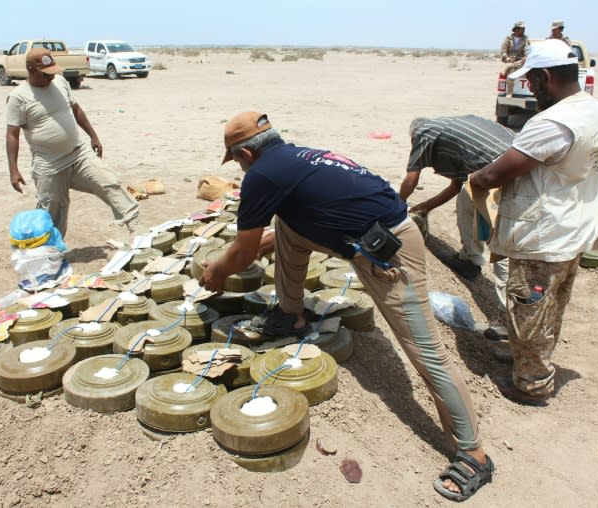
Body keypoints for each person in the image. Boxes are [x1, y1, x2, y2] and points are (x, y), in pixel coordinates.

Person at [200, 111, 494, 501]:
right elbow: (272, 236)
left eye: (236, 159)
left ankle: (474, 452)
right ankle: (291, 312)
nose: (238, 166)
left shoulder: (262, 174)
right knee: (288, 223)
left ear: (248, 153)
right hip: (370, 235)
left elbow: (243, 252)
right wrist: (248, 252)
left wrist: (216, 273)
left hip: (389, 253)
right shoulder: (299, 157)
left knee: (427, 354)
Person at [470, 40, 598, 405]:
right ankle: (529, 358)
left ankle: (531, 385)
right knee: (549, 308)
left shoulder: (552, 123)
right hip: (572, 231)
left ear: (546, 77)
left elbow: (494, 176)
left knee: (528, 313)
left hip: (543, 239)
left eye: (532, 80)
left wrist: (476, 178)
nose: (529, 88)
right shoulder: (591, 109)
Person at [5, 48, 139, 237]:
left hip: (79, 154)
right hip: (49, 164)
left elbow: (76, 110)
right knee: (52, 211)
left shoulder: (60, 82)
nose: (51, 77)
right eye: (46, 74)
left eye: (53, 72)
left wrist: (93, 135)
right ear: (31, 70)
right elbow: (12, 135)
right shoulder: (18, 97)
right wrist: (13, 169)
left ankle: (137, 229)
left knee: (109, 183)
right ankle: (49, 250)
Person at [399, 115, 513, 311]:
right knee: (466, 198)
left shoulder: (424, 132)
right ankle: (471, 260)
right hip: (509, 159)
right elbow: (455, 187)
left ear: (413, 137)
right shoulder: (451, 137)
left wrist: (396, 206)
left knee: (499, 242)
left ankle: (510, 313)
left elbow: (411, 179)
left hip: (503, 168)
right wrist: (424, 207)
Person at [500, 20, 531, 97]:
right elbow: (503, 50)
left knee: (516, 65)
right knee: (511, 72)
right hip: (510, 60)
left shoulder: (525, 39)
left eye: (524, 29)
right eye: (522, 29)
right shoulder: (508, 38)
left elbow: (527, 49)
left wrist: (526, 56)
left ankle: (509, 66)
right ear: (516, 29)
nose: (523, 30)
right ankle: (509, 92)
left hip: (521, 61)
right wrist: (507, 58)